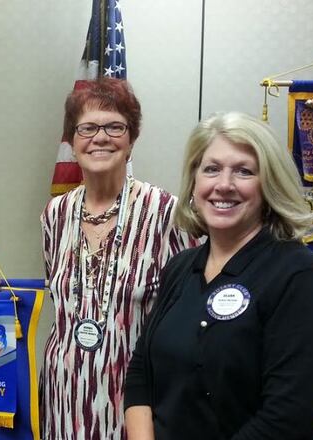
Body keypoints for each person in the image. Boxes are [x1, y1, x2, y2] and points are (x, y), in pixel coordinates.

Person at [124, 112, 313, 440]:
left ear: (269, 185)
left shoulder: (301, 278)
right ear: (194, 180)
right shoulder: (180, 268)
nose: (224, 185)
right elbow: (141, 374)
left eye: (243, 171)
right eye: (211, 169)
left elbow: (285, 419)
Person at [40, 78, 199, 439]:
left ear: (130, 140)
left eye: (115, 126)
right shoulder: (55, 214)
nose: (100, 137)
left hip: (135, 398)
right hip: (63, 395)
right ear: (72, 140)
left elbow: (188, 314)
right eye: (87, 128)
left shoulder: (165, 212)